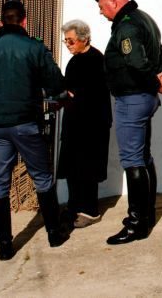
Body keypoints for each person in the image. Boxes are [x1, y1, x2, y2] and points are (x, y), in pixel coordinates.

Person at [0, 0, 67, 260]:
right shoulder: (34, 47)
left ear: (2, 21)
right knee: (42, 177)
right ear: (24, 21)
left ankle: (4, 246)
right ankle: (54, 235)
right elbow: (56, 83)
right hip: (26, 123)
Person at [86, 0, 162, 245]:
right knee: (143, 157)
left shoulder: (126, 26)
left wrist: (153, 79)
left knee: (133, 160)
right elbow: (161, 54)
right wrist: (161, 76)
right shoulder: (144, 18)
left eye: (101, 7)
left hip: (132, 99)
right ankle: (146, 218)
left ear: (113, 1)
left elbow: (135, 62)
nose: (101, 13)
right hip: (142, 97)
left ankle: (136, 225)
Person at [56, 19, 111, 229]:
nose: (68, 45)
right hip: (75, 123)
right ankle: (73, 206)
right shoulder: (75, 60)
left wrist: (73, 94)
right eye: (66, 41)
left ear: (83, 39)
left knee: (87, 168)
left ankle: (90, 210)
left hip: (91, 125)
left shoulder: (96, 59)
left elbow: (95, 92)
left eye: (71, 41)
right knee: (72, 168)